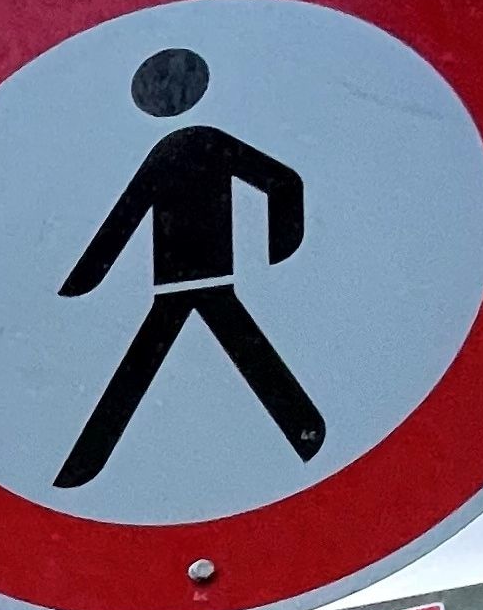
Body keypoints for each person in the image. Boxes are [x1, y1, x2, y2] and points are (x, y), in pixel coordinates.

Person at [52, 47, 327, 489]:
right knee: (180, 357)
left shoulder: (196, 144)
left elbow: (282, 182)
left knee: (160, 361)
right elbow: (127, 215)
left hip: (198, 278)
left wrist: (280, 248)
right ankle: (307, 433)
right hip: (185, 282)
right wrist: (83, 280)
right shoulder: (187, 146)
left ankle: (307, 432)